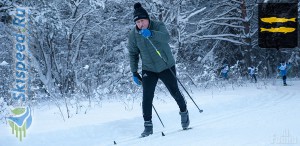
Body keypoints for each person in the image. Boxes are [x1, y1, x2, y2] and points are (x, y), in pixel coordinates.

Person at [127, 2, 189, 137]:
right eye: (138, 22)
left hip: (165, 65)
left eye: (142, 21)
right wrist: (134, 72)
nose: (140, 24)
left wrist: (152, 34)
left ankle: (184, 111)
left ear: (148, 19)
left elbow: (166, 38)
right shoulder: (133, 35)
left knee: (174, 92)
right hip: (148, 68)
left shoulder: (158, 25)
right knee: (147, 97)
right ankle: (147, 126)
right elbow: (133, 53)